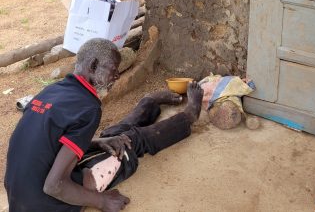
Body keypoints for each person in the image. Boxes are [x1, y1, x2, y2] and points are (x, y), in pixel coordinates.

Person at [5, 38, 204, 212]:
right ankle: (188, 116)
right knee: (131, 142)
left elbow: (52, 143)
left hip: (21, 196)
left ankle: (148, 103)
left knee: (110, 138)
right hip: (47, 203)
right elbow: (54, 186)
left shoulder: (52, 91)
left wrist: (96, 142)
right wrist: (102, 201)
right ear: (93, 66)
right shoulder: (88, 107)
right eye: (113, 69)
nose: (117, 75)